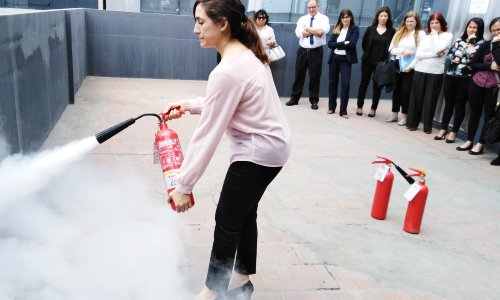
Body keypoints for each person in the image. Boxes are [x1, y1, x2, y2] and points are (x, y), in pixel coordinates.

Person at [162, 0, 292, 299]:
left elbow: (208, 133)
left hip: (258, 153)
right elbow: (227, 103)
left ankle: (212, 290)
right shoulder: (245, 56)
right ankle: (241, 279)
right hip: (273, 147)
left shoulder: (228, 69)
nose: (195, 30)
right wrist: (188, 105)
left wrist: (184, 184)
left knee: (227, 219)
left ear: (223, 24)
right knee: (243, 214)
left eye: (201, 22)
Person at [434, 18, 485, 142]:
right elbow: (450, 56)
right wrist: (463, 54)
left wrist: (469, 45)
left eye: (475, 28)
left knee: (460, 105)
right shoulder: (458, 40)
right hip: (451, 75)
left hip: (465, 78)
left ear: (479, 30)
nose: (471, 29)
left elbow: (472, 60)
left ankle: (454, 132)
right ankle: (443, 129)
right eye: (469, 27)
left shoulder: (481, 44)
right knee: (448, 104)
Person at [456, 17, 500, 159]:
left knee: (488, 115)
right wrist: (488, 66)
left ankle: (480, 143)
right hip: (477, 82)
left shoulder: (495, 45)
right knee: (474, 113)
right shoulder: (486, 44)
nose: (496, 32)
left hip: (494, 86)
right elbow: (473, 64)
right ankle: (469, 140)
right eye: (493, 30)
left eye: (499, 29)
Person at [406, 12, 453, 133]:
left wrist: (435, 36)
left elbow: (439, 48)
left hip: (435, 71)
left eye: (437, 23)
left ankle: (427, 125)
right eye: (432, 23)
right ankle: (412, 123)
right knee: (416, 97)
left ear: (442, 23)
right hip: (420, 69)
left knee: (430, 99)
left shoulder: (447, 36)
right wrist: (434, 55)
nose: (434, 25)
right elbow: (419, 54)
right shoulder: (426, 37)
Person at [285, 0, 330, 110]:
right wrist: (314, 31)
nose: (311, 9)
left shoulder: (324, 18)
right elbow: (299, 33)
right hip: (303, 51)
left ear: (318, 7)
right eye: (309, 7)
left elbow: (322, 32)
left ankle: (314, 100)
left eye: (313, 7)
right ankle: (294, 98)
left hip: (316, 51)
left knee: (315, 76)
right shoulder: (302, 19)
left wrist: (307, 29)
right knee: (299, 75)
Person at [387, 11, 425, 126]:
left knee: (405, 91)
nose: (409, 23)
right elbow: (391, 49)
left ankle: (405, 116)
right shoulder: (399, 33)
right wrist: (403, 51)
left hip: (410, 67)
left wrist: (411, 66)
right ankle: (394, 114)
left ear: (416, 22)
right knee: (396, 90)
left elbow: (419, 52)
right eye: (407, 21)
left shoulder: (420, 34)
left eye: (411, 21)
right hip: (398, 64)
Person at [356, 6, 395, 117]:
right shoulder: (370, 29)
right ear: (377, 17)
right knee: (363, 84)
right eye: (381, 15)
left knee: (377, 86)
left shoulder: (392, 31)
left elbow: (392, 47)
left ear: (389, 17)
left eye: (385, 16)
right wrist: (368, 55)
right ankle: (359, 106)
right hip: (368, 61)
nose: (383, 18)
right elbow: (364, 44)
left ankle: (373, 108)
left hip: (381, 64)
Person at [327, 8, 359, 118]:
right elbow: (329, 44)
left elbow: (352, 44)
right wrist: (343, 42)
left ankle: (343, 110)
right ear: (340, 18)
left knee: (345, 84)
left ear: (351, 18)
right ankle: (331, 107)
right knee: (332, 83)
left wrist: (337, 44)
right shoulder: (337, 29)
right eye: (343, 17)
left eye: (347, 17)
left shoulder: (354, 29)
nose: (345, 19)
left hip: (346, 59)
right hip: (334, 59)